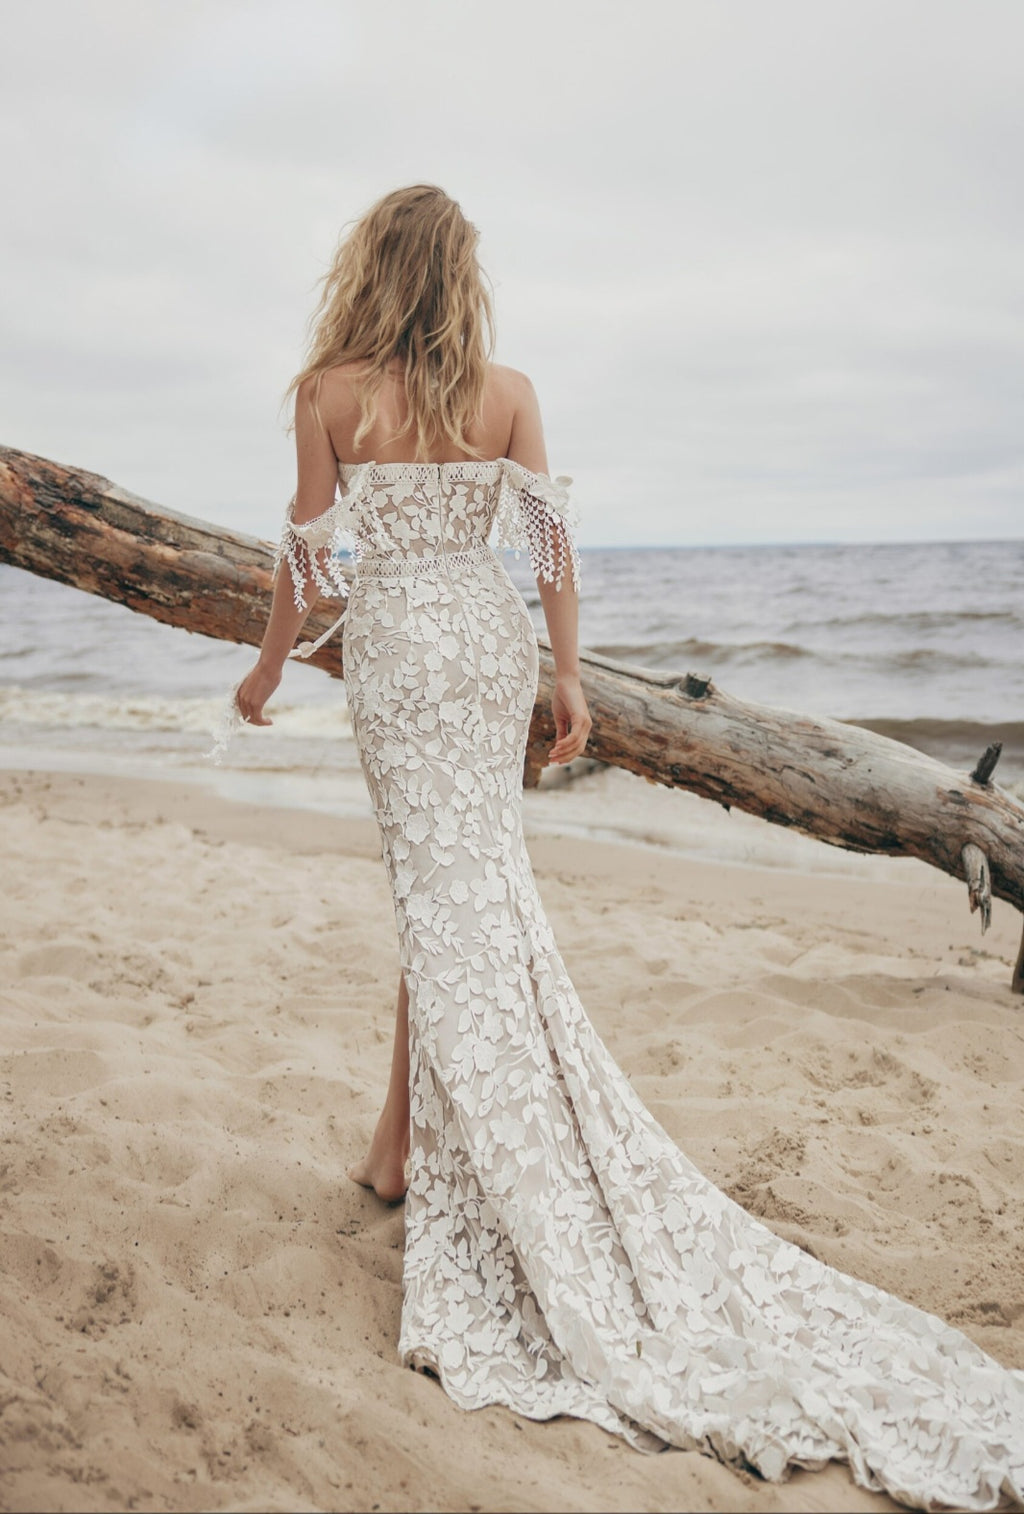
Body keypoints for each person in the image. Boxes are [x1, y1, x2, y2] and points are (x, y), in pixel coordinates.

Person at [228, 185, 1022, 1511]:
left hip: (400, 660)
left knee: (445, 901)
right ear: (460, 278)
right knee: (464, 902)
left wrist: (265, 676)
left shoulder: (329, 390)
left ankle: (396, 1150)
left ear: (372, 270)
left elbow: (310, 572)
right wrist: (568, 674)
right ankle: (392, 1150)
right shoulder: (507, 388)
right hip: (483, 650)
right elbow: (548, 547)